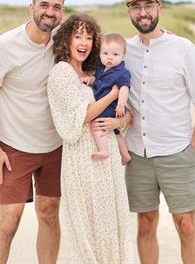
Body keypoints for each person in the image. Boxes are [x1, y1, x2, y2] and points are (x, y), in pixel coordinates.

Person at [0, 0, 65, 264]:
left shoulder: (63, 43)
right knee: (9, 221)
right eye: (44, 5)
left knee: (49, 213)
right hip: (15, 148)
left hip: (55, 147)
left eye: (57, 6)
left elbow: (101, 48)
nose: (49, 12)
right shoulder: (5, 46)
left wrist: (158, 37)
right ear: (32, 7)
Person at [125, 0, 195, 264]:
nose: (143, 13)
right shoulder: (123, 50)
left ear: (159, 9)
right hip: (138, 154)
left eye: (148, 6)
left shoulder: (183, 49)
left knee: (185, 224)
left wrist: (193, 148)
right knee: (146, 223)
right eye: (136, 7)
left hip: (178, 152)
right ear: (129, 12)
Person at [47, 14, 134, 264]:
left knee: (111, 224)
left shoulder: (96, 70)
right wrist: (113, 95)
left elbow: (127, 114)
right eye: (78, 36)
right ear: (67, 40)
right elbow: (84, 115)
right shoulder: (62, 73)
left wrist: (118, 121)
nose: (84, 42)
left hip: (107, 160)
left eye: (89, 37)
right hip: (82, 160)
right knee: (88, 227)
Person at [81, 33, 132, 165]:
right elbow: (98, 82)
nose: (110, 57)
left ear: (123, 56)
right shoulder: (101, 68)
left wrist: (121, 105)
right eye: (105, 53)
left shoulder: (122, 72)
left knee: (97, 125)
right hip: (106, 104)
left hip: (112, 106)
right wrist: (90, 80)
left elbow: (124, 89)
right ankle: (125, 154)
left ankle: (103, 150)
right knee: (116, 133)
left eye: (115, 55)